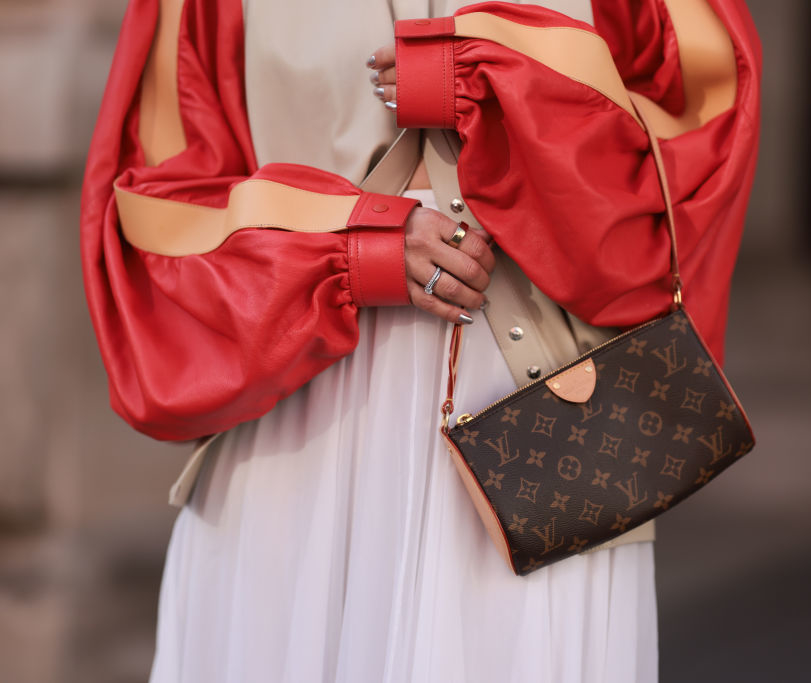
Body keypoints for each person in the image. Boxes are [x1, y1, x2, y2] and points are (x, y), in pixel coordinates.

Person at [80, 0, 760, 681]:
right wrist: (353, 248)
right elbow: (156, 213)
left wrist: (501, 86)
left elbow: (699, 147)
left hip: (536, 443)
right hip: (299, 429)